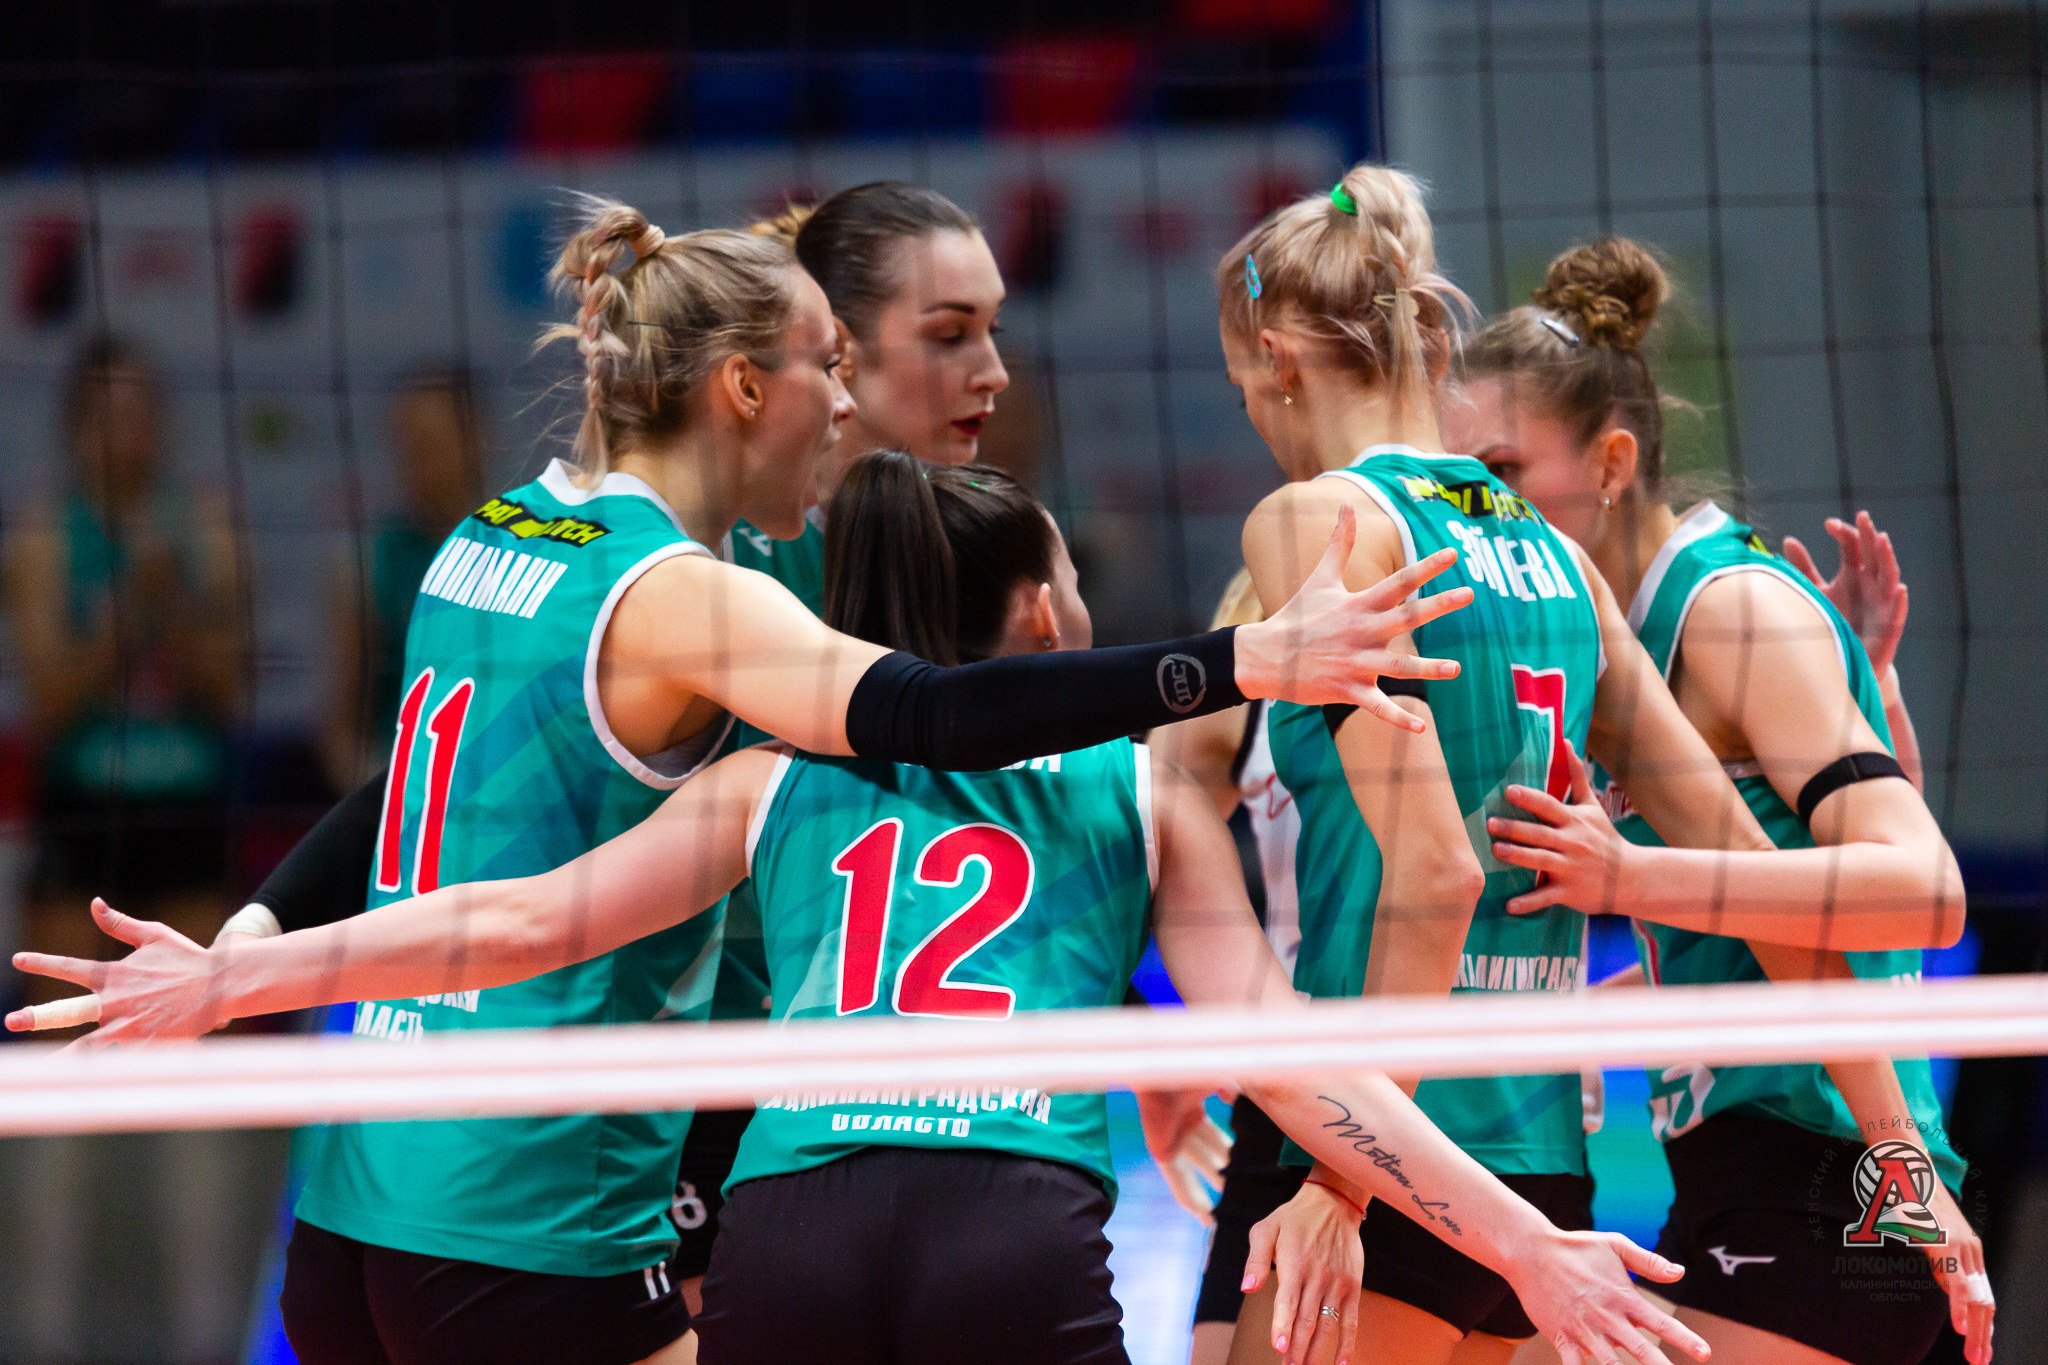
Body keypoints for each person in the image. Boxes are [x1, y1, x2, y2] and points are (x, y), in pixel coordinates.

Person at [20, 198, 1469, 1365]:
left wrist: (247, 947)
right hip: (548, 1203)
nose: (851, 402)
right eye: (846, 363)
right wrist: (1240, 661)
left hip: (365, 1198)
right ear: (742, 385)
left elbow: (402, 798)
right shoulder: (708, 599)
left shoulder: (491, 532)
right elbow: (933, 715)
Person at [15, 453, 1712, 1365]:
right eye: (1065, 579)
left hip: (790, 1226)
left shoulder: (772, 774)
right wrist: (1519, 1241)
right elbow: (1289, 1056)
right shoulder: (1138, 788)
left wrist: (235, 978)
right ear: (1034, 611)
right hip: (1007, 1222)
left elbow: (511, 921)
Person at [1210, 164, 1939, 1365]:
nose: (1252, 415)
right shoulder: (1561, 558)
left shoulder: (1318, 521)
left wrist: (1343, 1179)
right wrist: (1903, 1163)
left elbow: (1437, 875)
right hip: (1542, 1176)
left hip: (1395, 1148)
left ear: (1279, 358)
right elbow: (1754, 880)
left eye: (1242, 388)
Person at [1447, 238, 1991, 1365]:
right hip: (1744, 1170)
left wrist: (1632, 875)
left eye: (1501, 473)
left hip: (1828, 1169)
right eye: (1462, 485)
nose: (1480, 513)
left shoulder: (1731, 610)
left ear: (1610, 460)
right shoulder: (1610, 637)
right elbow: (1746, 926)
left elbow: (1925, 895)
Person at [1, 333, 249, 1363]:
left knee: (196, 1097)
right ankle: (43, 1335)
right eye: (105, 412)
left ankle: (207, 1336)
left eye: (141, 409)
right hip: (79, 819)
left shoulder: (205, 524)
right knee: (56, 1091)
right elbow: (49, 704)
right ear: (73, 427)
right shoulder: (43, 535)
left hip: (183, 819)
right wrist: (125, 610)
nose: (126, 430)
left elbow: (229, 693)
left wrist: (173, 603)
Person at [1146, 570, 1305, 1365]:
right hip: (1295, 1105)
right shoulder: (1252, 659)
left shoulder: (1527, 613)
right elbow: (1124, 865)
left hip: (1479, 1103)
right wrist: (1157, 1060)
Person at [322, 365, 489, 789]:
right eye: (405, 446)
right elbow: (340, 728)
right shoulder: (368, 562)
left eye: (430, 446)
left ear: (475, 442)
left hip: (506, 797)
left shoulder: (532, 553)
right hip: (402, 794)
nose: (416, 463)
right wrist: (384, 797)